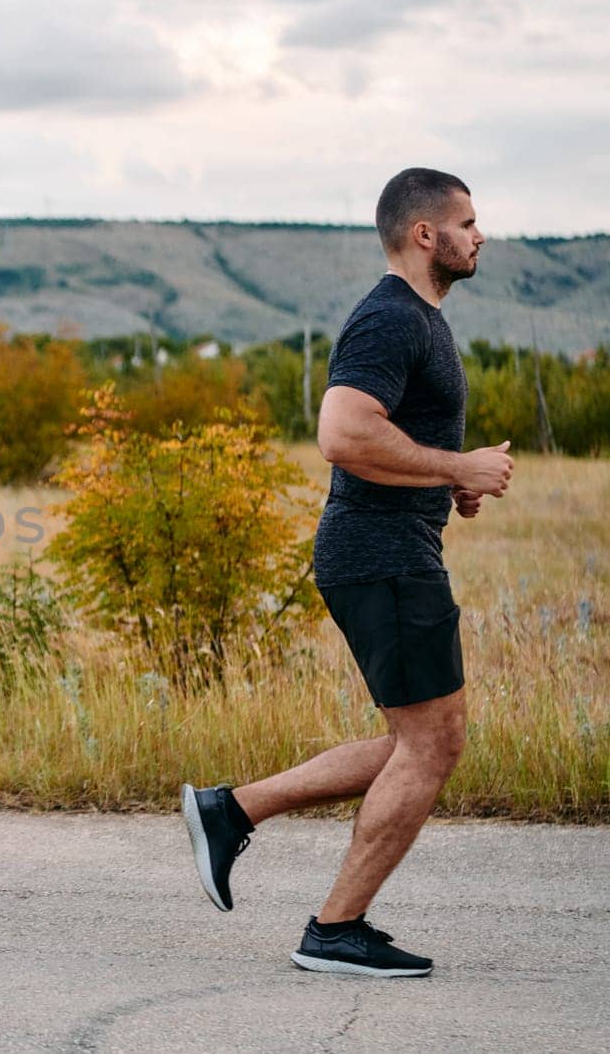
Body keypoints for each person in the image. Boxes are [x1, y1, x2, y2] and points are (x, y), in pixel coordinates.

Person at [181, 168, 513, 977]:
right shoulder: (391, 318)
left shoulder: (419, 319)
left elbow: (387, 440)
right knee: (433, 746)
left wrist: (448, 478)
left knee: (421, 741)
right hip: (383, 559)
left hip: (388, 554)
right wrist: (455, 463)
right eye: (467, 223)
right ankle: (335, 927)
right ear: (425, 234)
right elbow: (341, 432)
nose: (480, 236)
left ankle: (231, 811)